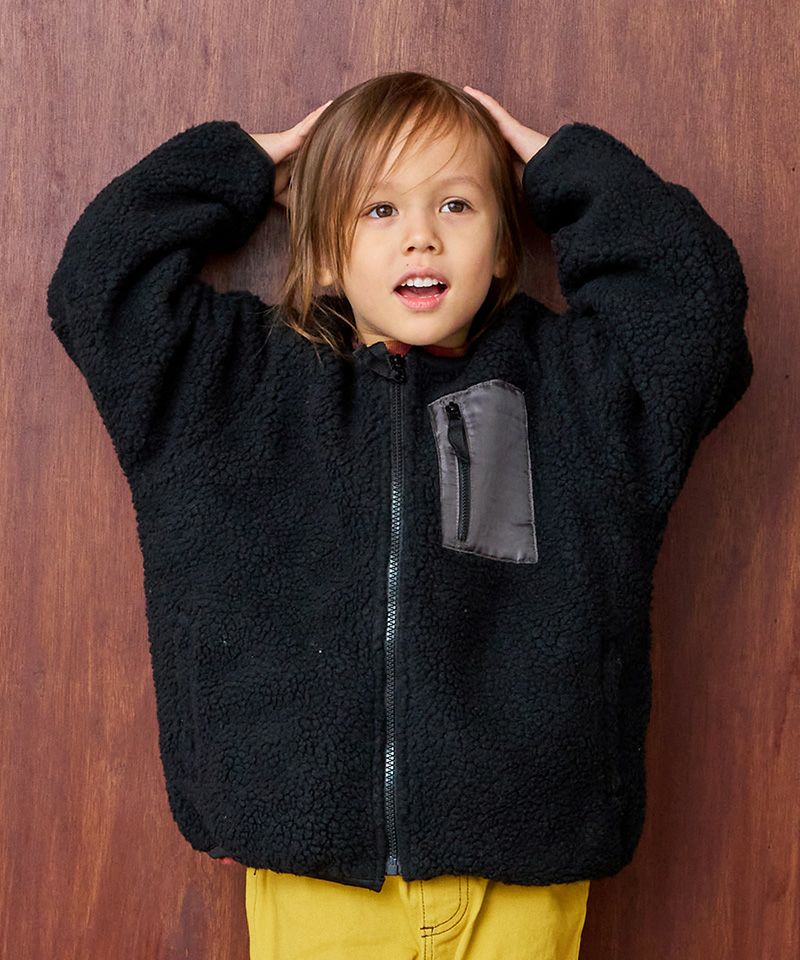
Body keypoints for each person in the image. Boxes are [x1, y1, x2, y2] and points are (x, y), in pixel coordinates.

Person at [47, 72, 753, 959]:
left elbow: (692, 312)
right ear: (322, 250)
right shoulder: (231, 386)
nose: (421, 234)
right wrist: (239, 164)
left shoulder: (579, 393)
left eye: (456, 204)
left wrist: (559, 170)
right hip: (315, 872)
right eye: (378, 209)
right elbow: (100, 284)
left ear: (506, 244)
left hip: (522, 862)